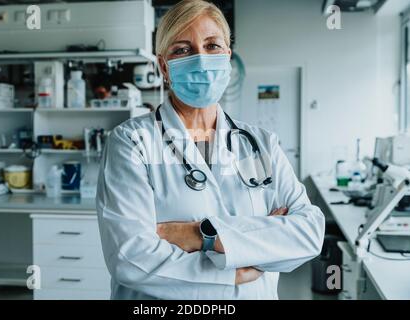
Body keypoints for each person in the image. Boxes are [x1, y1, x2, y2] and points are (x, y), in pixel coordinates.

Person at [96, 0, 325, 300]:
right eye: (182, 49)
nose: (201, 60)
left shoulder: (262, 143)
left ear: (228, 56)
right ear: (164, 66)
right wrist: (244, 258)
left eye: (212, 46)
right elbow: (130, 258)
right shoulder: (131, 142)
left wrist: (200, 235)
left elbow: (308, 234)